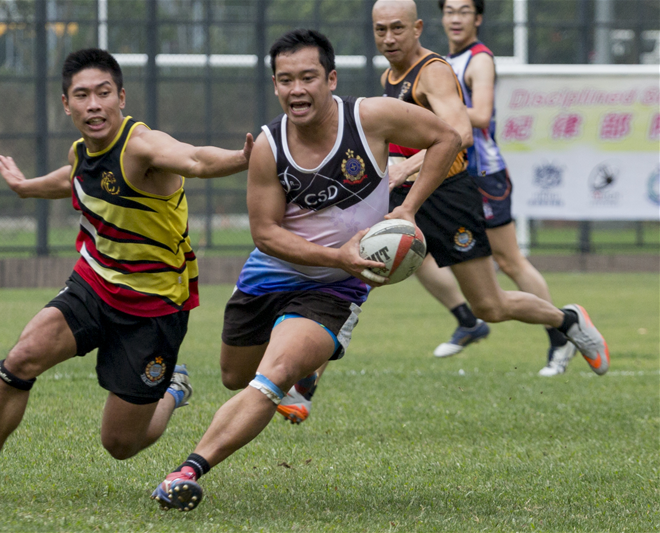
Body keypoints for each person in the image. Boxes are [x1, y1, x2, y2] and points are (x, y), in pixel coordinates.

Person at [150, 28, 464, 512]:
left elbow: (447, 136)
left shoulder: (371, 117)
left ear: (331, 79)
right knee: (235, 376)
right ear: (275, 85)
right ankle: (257, 377)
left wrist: (408, 208)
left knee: (272, 376)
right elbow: (266, 233)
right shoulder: (269, 146)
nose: (297, 89)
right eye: (285, 80)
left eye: (308, 77)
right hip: (270, 275)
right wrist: (337, 254)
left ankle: (186, 471)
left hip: (336, 289)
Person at [0, 48, 253, 505]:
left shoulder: (142, 146)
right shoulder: (81, 151)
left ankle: (172, 390)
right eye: (82, 95)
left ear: (122, 97)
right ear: (67, 104)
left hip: (153, 307)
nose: (94, 104)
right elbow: (74, 177)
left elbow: (195, 159)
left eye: (103, 93)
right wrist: (25, 188)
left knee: (120, 444)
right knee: (19, 360)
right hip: (94, 284)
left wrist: (243, 158)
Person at [278, 0, 610, 424]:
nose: (388, 38)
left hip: (449, 194)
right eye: (380, 30)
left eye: (397, 28)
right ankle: (306, 383)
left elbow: (460, 133)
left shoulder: (432, 72)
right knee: (353, 274)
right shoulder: (388, 76)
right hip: (404, 193)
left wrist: (406, 171)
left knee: (490, 305)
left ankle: (567, 319)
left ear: (417, 28)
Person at [428, 0, 576, 375]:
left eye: (464, 11)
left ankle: (561, 335)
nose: (456, 18)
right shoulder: (443, 62)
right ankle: (466, 319)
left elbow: (481, 114)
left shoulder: (479, 59)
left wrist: (430, 110)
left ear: (478, 18)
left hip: (483, 174)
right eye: (449, 11)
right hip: (452, 173)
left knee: (509, 261)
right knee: (415, 248)